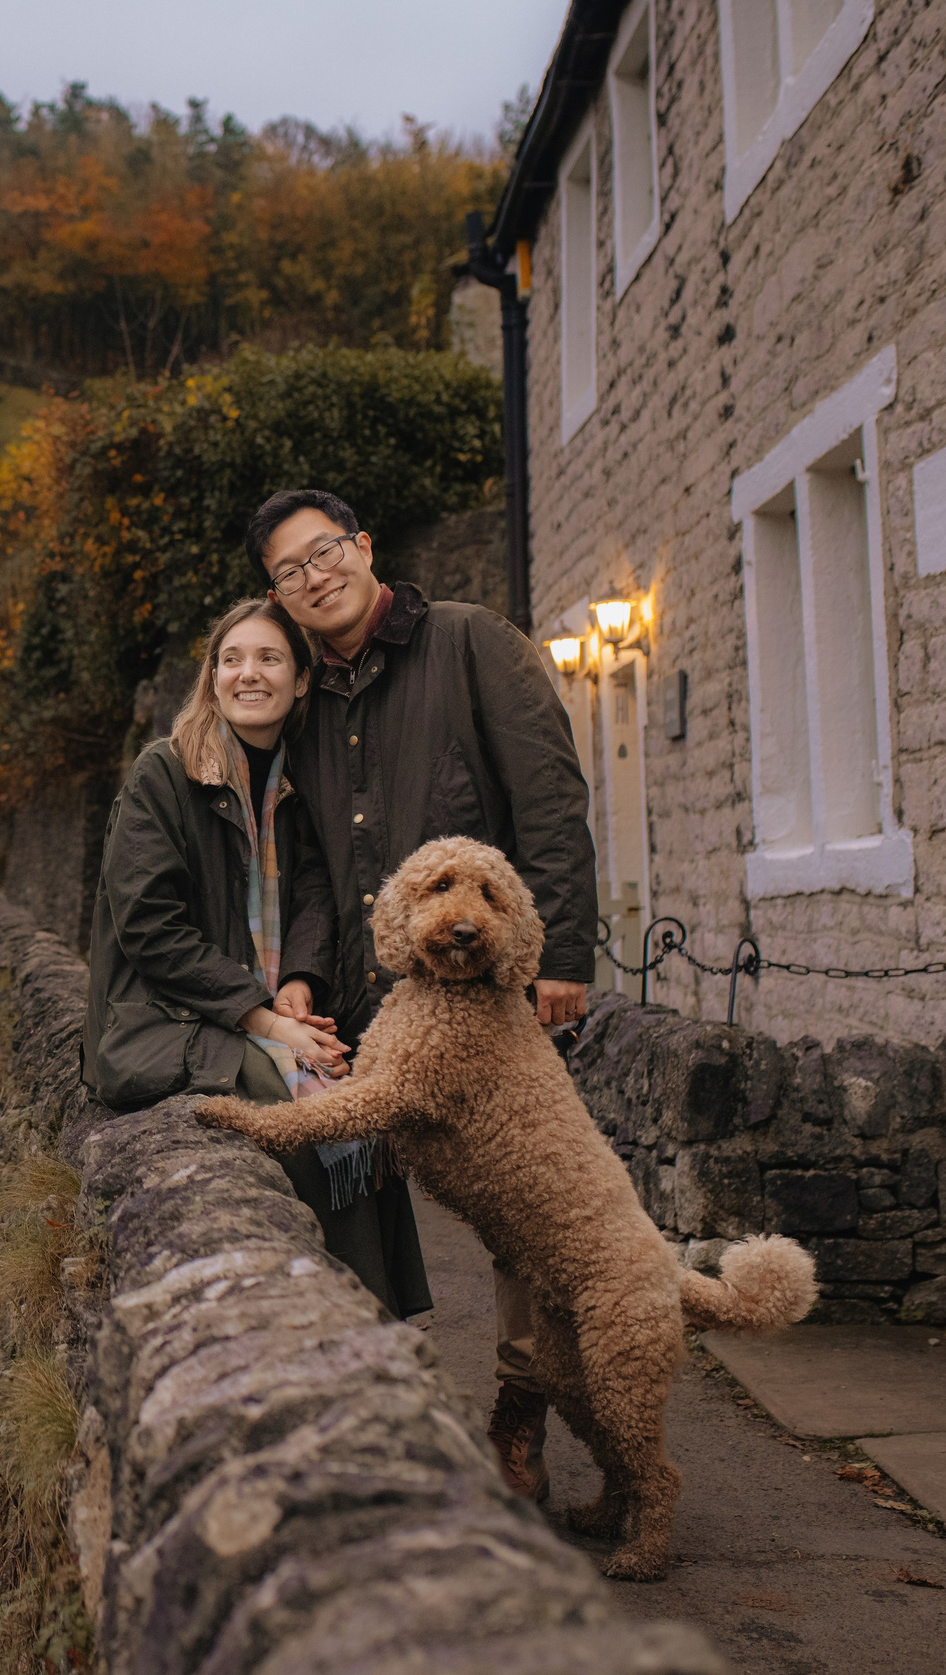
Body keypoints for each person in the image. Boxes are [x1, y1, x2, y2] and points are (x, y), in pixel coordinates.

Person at [246, 487, 600, 1504]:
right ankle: (376, 1421)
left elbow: (548, 800)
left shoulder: (471, 643)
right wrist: (304, 972)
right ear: (275, 592)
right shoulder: (305, 700)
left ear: (363, 547)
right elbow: (308, 863)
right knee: (354, 1193)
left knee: (520, 1219)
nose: (314, 576)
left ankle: (517, 1432)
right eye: (288, 571)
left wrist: (560, 957)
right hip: (365, 1000)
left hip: (490, 998)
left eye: (324, 552)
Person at [83, 597, 434, 1318]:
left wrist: (300, 982)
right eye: (232, 659)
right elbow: (149, 927)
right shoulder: (163, 774)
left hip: (262, 1004)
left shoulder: (297, 779)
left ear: (300, 681)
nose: (250, 673)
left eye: (270, 658)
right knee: (302, 1110)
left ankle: (382, 1325)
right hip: (165, 1019)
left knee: (350, 1095)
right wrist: (264, 1019)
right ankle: (340, 1315)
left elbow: (313, 890)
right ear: (212, 678)